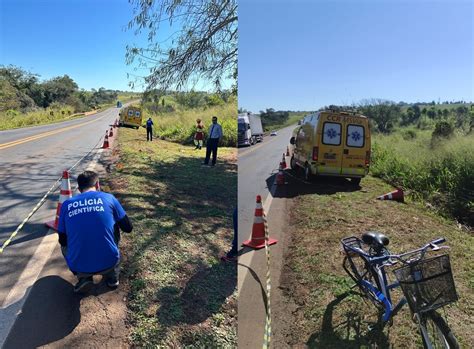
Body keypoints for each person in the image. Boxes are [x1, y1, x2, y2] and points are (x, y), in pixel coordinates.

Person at [57, 171, 133, 294]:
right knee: (113, 227)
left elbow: (62, 240)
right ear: (97, 184)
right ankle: (112, 277)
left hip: (79, 265)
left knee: (64, 245)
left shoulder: (66, 205)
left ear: (79, 188)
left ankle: (83, 277)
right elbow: (128, 228)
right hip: (109, 261)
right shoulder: (109, 198)